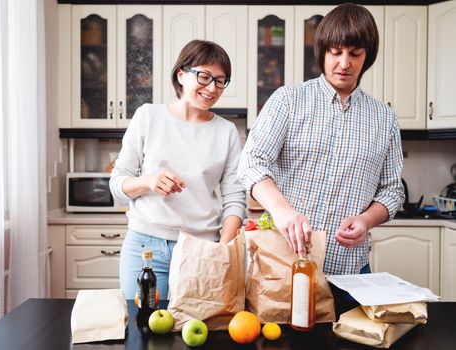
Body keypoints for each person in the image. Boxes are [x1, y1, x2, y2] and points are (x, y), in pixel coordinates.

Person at [238, 3, 404, 311]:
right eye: (336, 51)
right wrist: (281, 210)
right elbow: (251, 162)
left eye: (354, 53)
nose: (344, 63)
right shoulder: (289, 100)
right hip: (284, 268)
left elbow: (393, 190)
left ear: (367, 55)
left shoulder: (384, 118)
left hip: (350, 274)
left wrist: (367, 220)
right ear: (322, 52)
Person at [110, 39, 246, 300]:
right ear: (181, 74)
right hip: (145, 248)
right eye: (204, 77)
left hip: (201, 248)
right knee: (142, 330)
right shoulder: (148, 116)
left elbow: (234, 199)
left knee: (197, 331)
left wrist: (222, 249)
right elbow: (118, 185)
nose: (212, 88)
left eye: (220, 80)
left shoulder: (226, 132)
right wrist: (148, 182)